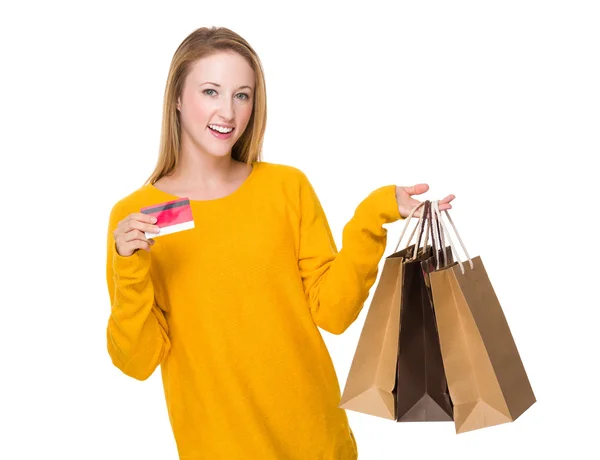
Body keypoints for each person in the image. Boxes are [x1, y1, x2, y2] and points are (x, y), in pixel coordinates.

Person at [105, 26, 455, 460]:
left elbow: (333, 311)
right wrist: (128, 265)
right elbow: (137, 361)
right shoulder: (139, 217)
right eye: (211, 91)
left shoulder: (285, 188)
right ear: (177, 97)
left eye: (242, 95)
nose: (228, 112)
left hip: (317, 441)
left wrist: (374, 215)